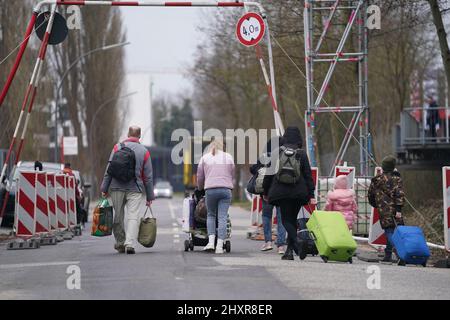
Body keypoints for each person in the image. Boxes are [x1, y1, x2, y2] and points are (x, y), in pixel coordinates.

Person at [100, 126, 155, 254]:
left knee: (118, 216)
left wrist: (104, 188)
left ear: (127, 134)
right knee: (133, 217)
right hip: (135, 188)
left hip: (116, 187)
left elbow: (109, 168)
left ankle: (120, 243)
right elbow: (148, 177)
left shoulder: (117, 147)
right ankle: (130, 244)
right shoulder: (144, 151)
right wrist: (149, 197)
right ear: (139, 136)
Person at [264, 126, 315, 261]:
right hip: (299, 192)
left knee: (286, 220)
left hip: (281, 192)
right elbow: (308, 175)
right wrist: (311, 194)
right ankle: (289, 252)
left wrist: (265, 191)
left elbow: (269, 174)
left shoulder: (277, 152)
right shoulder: (302, 154)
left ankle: (297, 242)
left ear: (285, 137)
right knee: (292, 220)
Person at [197, 139, 235, 254]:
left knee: (211, 215)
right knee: (222, 217)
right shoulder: (228, 157)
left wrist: (200, 188)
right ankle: (219, 246)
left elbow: (200, 176)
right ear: (222, 146)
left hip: (210, 190)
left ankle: (210, 243)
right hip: (225, 190)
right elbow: (232, 173)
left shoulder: (205, 158)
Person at [249, 136, 286, 254]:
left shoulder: (265, 156)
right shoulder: (285, 156)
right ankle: (281, 246)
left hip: (266, 193)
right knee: (281, 218)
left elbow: (253, 169)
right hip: (281, 192)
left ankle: (268, 242)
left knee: (266, 216)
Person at [368, 155, 405, 264]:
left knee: (389, 231)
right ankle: (400, 253)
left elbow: (370, 195)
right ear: (393, 167)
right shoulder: (397, 179)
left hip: (383, 210)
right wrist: (398, 210)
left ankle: (389, 254)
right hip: (395, 209)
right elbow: (400, 195)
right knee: (394, 231)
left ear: (383, 167)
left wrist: (376, 205)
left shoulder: (376, 180)